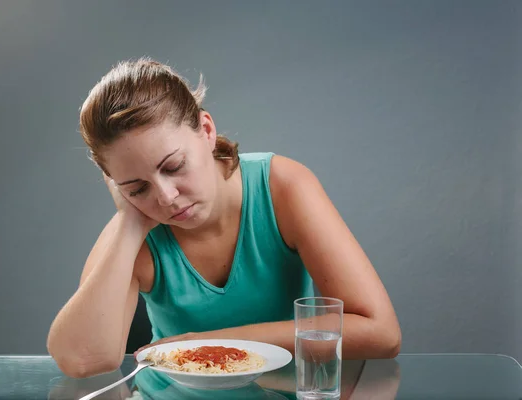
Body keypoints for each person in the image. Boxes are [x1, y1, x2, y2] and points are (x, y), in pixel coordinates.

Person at [46, 57, 401, 379]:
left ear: (206, 130)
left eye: (174, 166)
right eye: (137, 188)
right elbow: (82, 360)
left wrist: (206, 342)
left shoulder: (282, 187)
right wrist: (129, 222)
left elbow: (380, 333)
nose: (166, 198)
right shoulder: (135, 227)